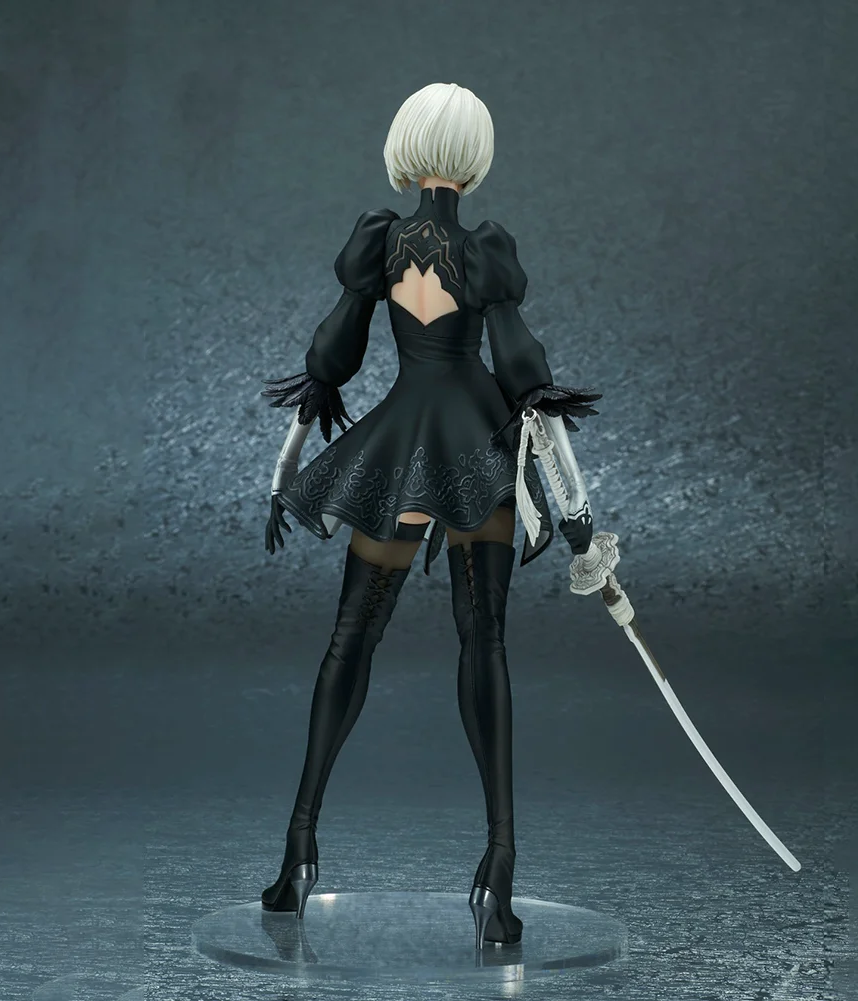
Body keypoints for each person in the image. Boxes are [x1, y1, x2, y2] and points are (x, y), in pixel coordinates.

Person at [258, 81, 601, 950]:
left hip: (401, 438)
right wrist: (576, 514)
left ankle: (298, 847)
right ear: (475, 156)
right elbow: (523, 375)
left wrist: (286, 466)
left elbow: (330, 358)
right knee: (483, 641)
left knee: (350, 637)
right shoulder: (482, 248)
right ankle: (499, 864)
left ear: (405, 148)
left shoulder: (378, 242)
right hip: (473, 441)